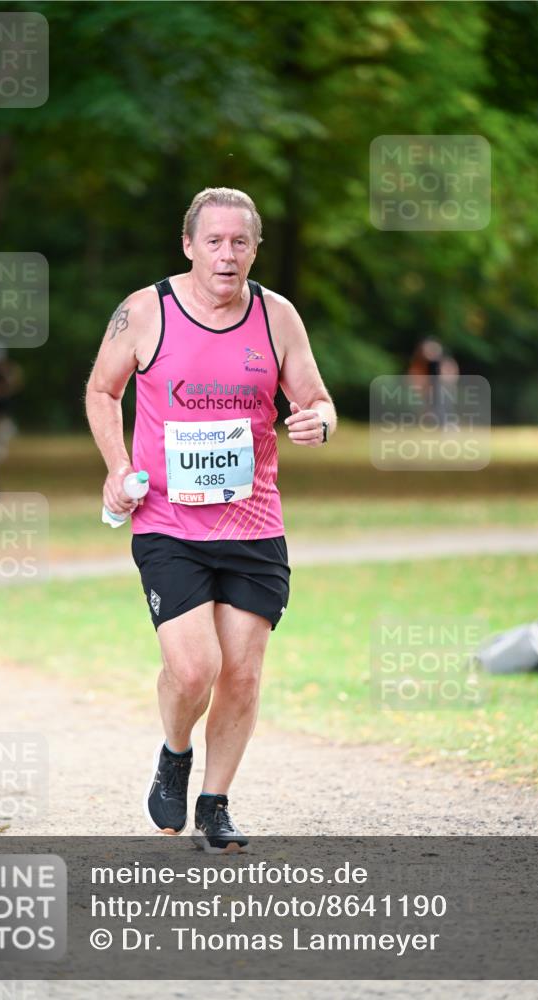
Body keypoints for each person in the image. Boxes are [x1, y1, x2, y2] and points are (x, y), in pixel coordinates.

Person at [85, 187, 336, 853]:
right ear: (189, 245)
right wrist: (116, 466)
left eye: (240, 242)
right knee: (194, 669)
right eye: (214, 241)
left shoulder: (277, 317)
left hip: (254, 526)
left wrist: (319, 420)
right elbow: (102, 389)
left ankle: (216, 803)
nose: (227, 255)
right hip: (169, 524)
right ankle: (174, 751)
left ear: (255, 248)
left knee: (243, 673)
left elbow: (313, 395)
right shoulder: (146, 311)